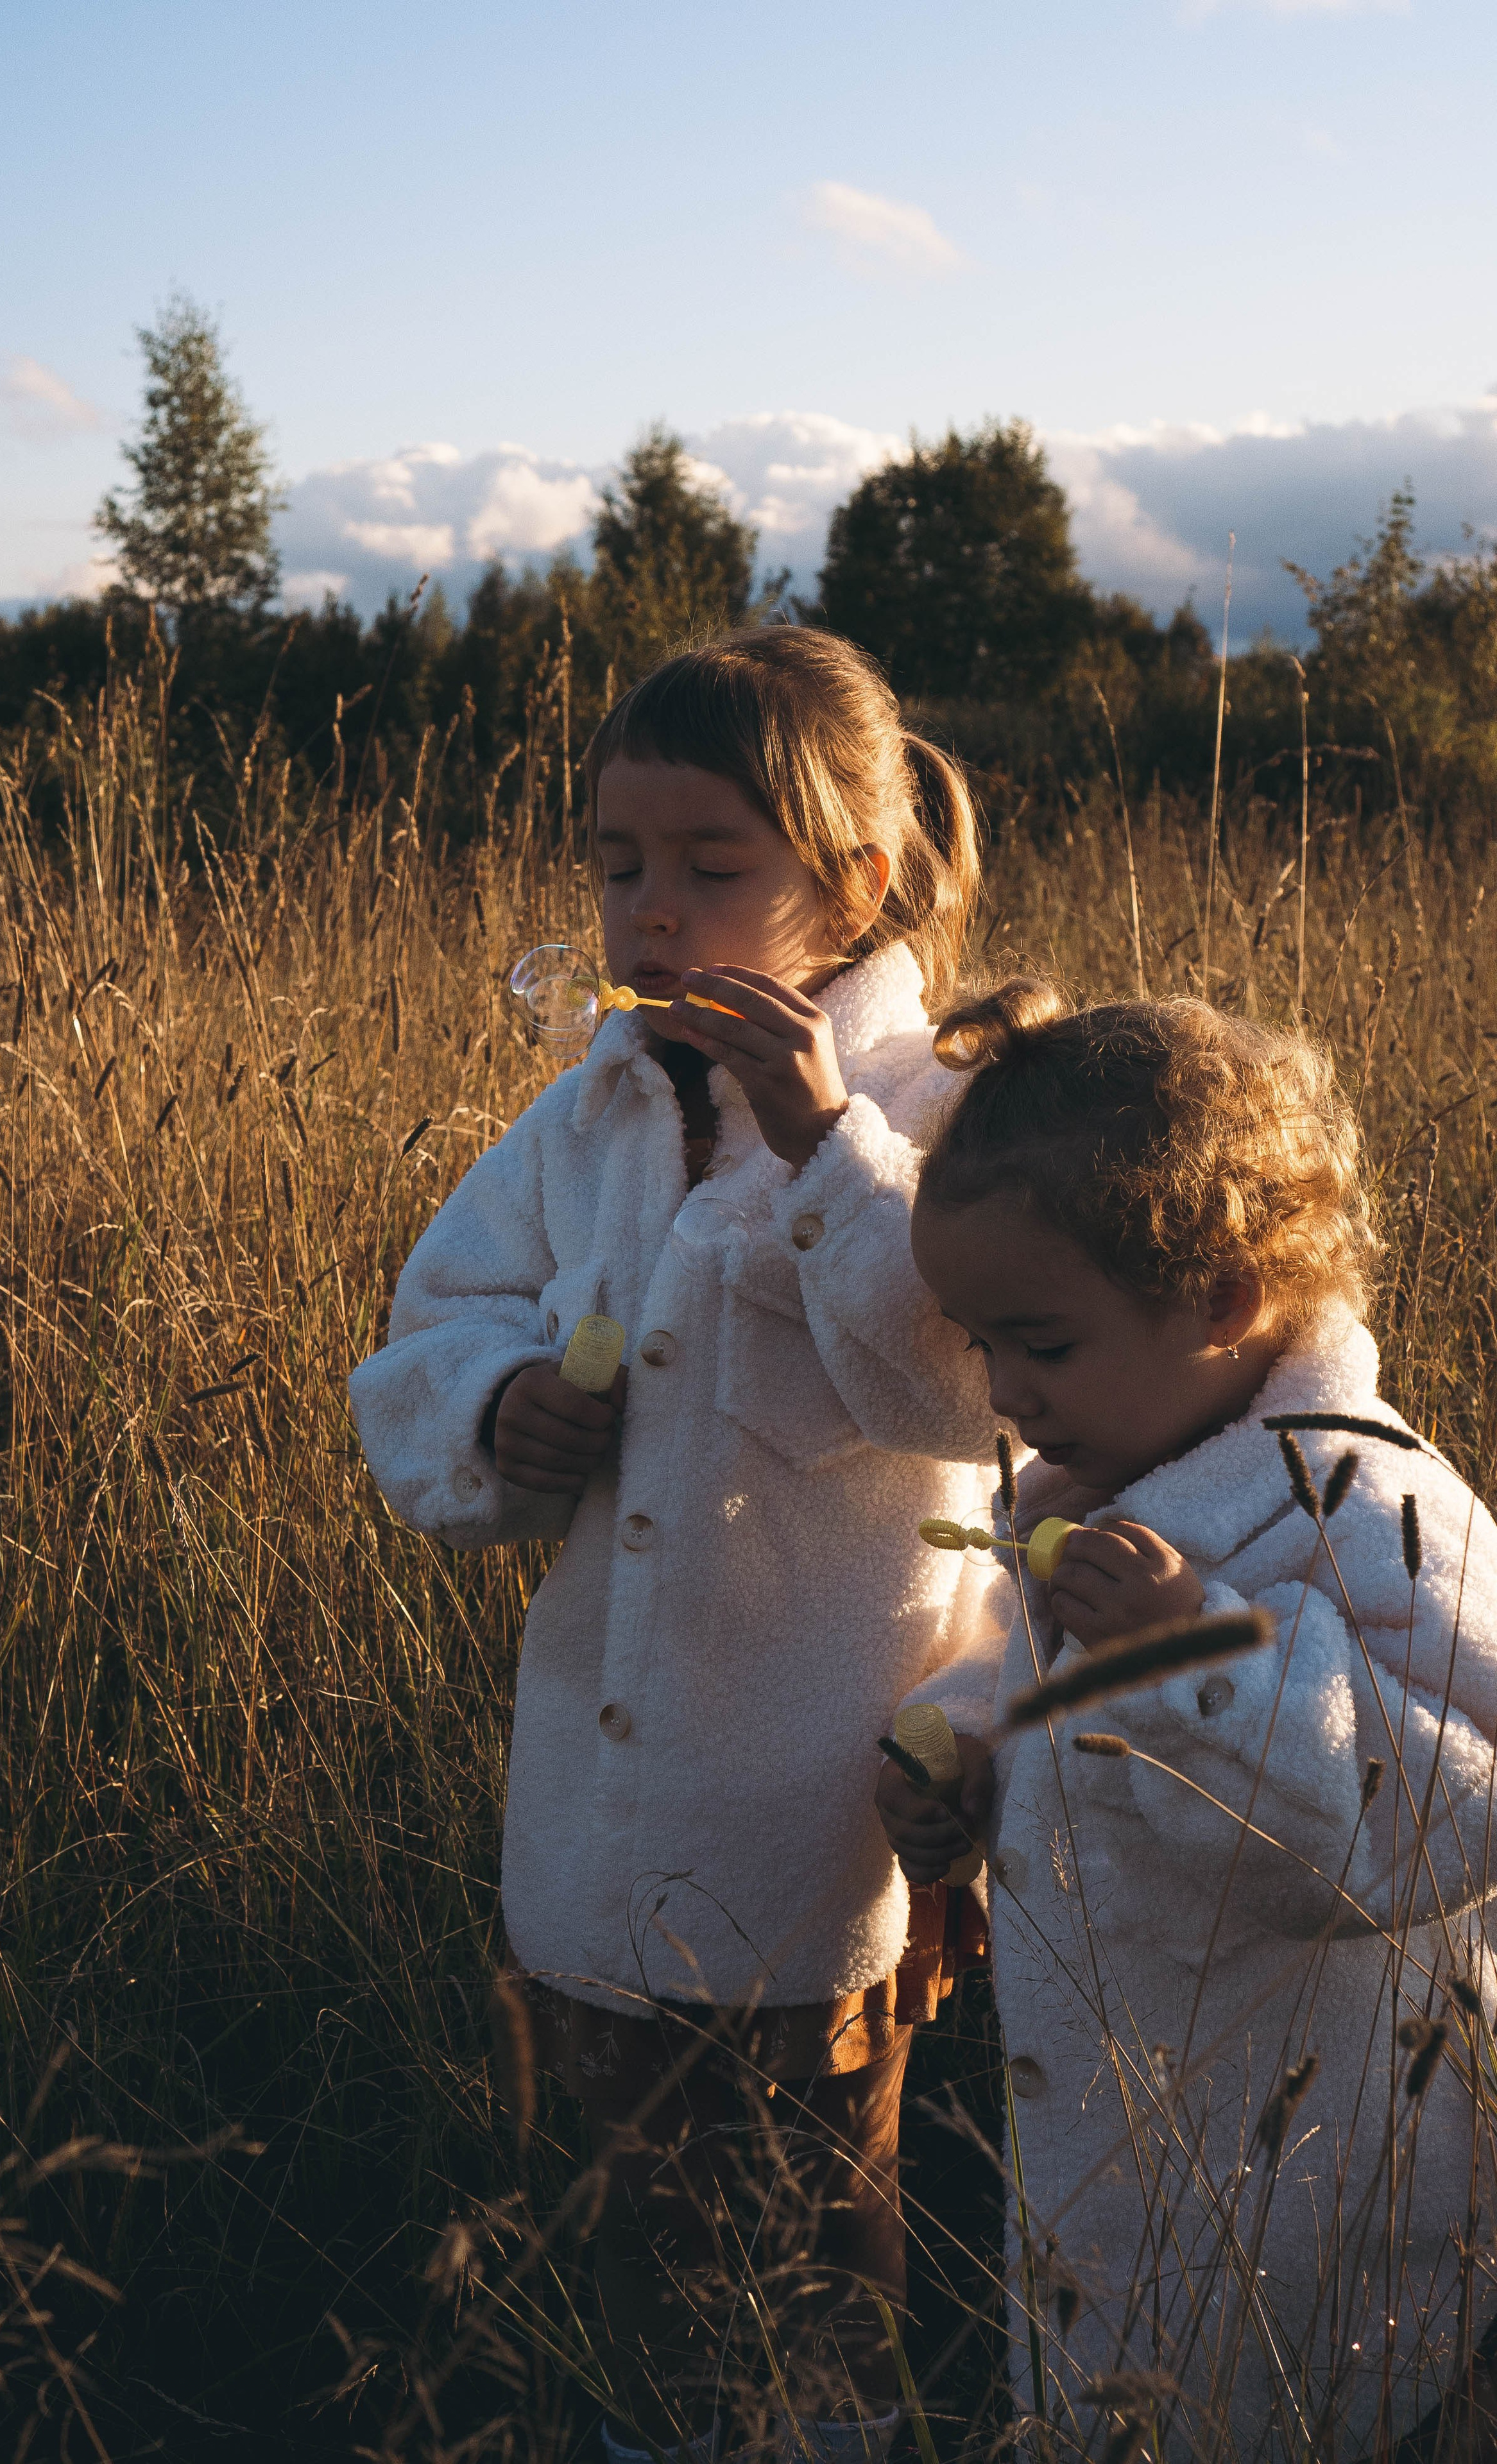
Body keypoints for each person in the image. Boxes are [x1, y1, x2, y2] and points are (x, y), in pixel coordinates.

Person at [350, 630, 1007, 2463]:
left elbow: (968, 1394)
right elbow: (437, 1314)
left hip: (809, 1805)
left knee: (807, 2207)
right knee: (635, 2190)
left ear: (857, 881)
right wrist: (496, 1412)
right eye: (618, 866)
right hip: (597, 1785)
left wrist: (822, 1151)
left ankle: (831, 2440)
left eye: (713, 868)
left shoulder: (943, 1118)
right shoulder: (600, 1111)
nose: (651, 914)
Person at [880, 978, 1497, 2459]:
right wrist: (969, 1748)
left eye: (1041, 1343)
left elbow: (1455, 1817)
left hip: (1316, 2195)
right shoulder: (1106, 1483)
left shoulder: (1372, 1512)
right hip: (1128, 2152)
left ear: (1220, 1300)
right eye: (981, 1350)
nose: (1008, 1398)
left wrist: (1204, 1663)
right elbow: (1049, 1674)